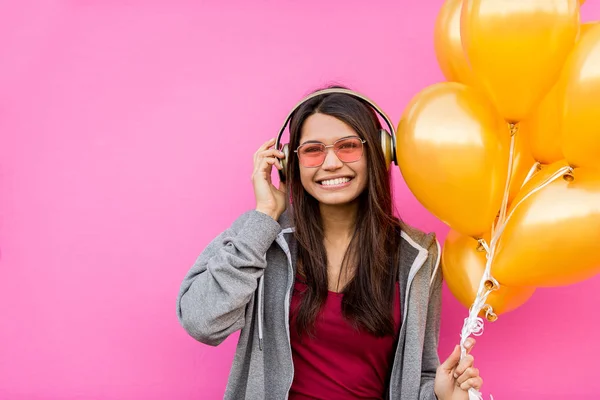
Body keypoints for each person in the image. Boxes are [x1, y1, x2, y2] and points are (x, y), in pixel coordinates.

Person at [176, 86, 483, 400]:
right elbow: (202, 322)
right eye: (313, 150)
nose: (332, 163)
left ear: (380, 152)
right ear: (288, 162)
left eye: (348, 146)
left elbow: (416, 374)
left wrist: (441, 396)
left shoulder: (417, 255)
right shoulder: (260, 234)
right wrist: (265, 215)